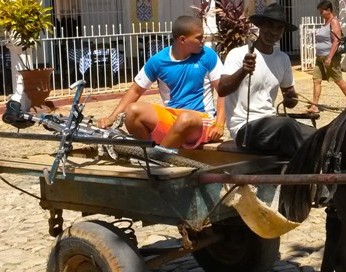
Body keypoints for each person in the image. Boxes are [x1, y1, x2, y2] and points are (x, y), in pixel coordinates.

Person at [96, 16, 225, 151]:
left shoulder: (208, 55)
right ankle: (147, 152)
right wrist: (111, 118)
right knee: (132, 111)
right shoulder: (158, 61)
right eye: (199, 37)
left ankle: (156, 158)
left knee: (185, 118)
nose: (203, 40)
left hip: (200, 121)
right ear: (182, 40)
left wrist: (220, 124)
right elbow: (135, 91)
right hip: (173, 118)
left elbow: (223, 91)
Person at [218, 3, 315, 157]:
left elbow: (291, 101)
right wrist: (243, 71)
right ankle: (302, 176)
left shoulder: (283, 59)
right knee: (288, 126)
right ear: (260, 26)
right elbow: (222, 89)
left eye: (279, 28)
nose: (274, 32)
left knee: (321, 135)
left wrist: (291, 98)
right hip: (245, 128)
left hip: (272, 124)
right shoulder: (239, 54)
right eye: (270, 25)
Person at [309, 0, 346, 114]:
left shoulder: (334, 22)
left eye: (321, 11)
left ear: (328, 10)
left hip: (330, 57)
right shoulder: (325, 23)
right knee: (316, 80)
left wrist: (329, 58)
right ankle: (315, 106)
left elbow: (336, 41)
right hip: (320, 58)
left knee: (338, 80)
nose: (320, 14)